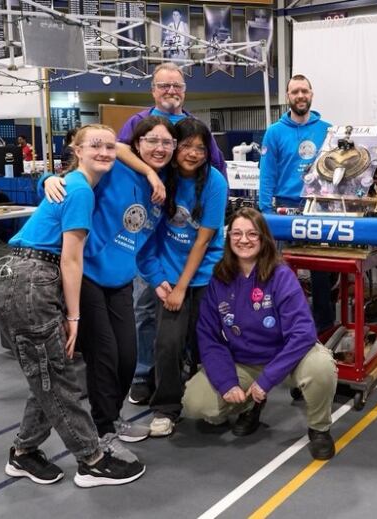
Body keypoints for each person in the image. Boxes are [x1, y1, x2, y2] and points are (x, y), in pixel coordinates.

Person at [0, 124, 146, 487]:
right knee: (57, 377)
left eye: (110, 146)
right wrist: (74, 316)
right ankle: (91, 459)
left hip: (29, 278)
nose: (105, 152)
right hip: (33, 280)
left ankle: (24, 452)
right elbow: (71, 260)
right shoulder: (79, 191)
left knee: (50, 372)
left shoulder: (76, 185)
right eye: (96, 146)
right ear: (77, 150)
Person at [43, 117, 179, 456]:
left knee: (128, 358)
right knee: (103, 356)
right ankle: (103, 429)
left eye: (167, 143)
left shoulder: (163, 190)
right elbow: (85, 168)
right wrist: (47, 180)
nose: (159, 148)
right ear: (137, 144)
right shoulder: (116, 167)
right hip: (86, 276)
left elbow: (143, 246)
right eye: (152, 141)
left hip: (120, 282)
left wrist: (158, 280)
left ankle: (113, 418)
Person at [182, 207, 338, 460]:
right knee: (195, 404)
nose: (244, 240)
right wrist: (227, 382)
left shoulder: (280, 275)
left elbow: (303, 333)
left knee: (321, 367)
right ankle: (251, 404)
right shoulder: (219, 279)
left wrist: (267, 379)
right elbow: (209, 337)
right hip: (245, 360)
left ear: (264, 238)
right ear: (228, 238)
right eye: (237, 234)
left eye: (252, 234)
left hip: (288, 358)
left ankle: (319, 428)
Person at [118, 62, 228, 407]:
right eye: (163, 85)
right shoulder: (138, 123)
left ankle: (187, 376)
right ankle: (143, 374)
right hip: (154, 244)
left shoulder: (197, 133)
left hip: (192, 249)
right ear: (153, 89)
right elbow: (118, 150)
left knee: (193, 324)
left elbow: (216, 170)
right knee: (145, 308)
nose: (170, 91)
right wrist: (152, 177)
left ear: (185, 90)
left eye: (176, 85)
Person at [138, 118, 228, 437]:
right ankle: (166, 408)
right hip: (169, 274)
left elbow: (203, 241)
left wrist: (182, 286)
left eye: (200, 148)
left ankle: (213, 398)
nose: (193, 153)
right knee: (167, 343)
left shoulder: (215, 181)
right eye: (186, 146)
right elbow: (122, 149)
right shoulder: (163, 178)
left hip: (203, 272)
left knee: (205, 341)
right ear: (175, 147)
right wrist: (163, 280)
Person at [257, 74, 336, 332]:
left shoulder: (327, 129)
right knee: (280, 268)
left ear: (311, 94)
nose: (300, 96)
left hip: (318, 206)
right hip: (284, 208)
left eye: (305, 91)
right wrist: (266, 210)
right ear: (288, 97)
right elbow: (267, 172)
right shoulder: (274, 132)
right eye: (295, 92)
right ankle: (283, 322)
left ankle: (324, 323)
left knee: (321, 269)